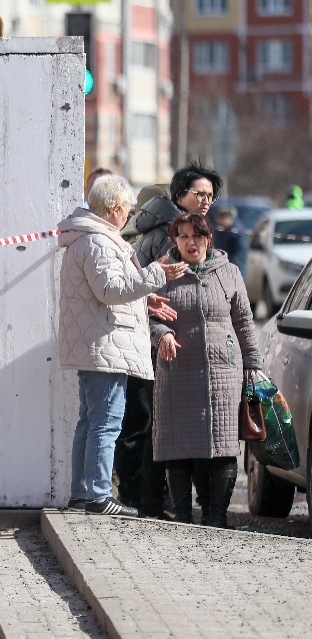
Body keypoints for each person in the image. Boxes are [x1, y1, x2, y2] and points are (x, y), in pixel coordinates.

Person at [57, 175, 183, 517]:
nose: (128, 216)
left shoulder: (87, 238)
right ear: (115, 210)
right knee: (106, 422)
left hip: (97, 342)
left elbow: (106, 293)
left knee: (91, 420)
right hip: (105, 345)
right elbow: (110, 290)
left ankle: (82, 493)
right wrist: (158, 274)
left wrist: (146, 300)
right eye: (126, 210)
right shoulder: (99, 242)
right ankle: (98, 494)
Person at [151, 213, 262, 528]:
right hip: (177, 371)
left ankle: (217, 517)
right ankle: (184, 517)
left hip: (222, 373)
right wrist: (163, 334)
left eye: (195, 236)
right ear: (176, 241)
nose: (190, 242)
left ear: (208, 239)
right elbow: (145, 315)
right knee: (177, 444)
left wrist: (253, 363)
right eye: (183, 236)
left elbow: (243, 321)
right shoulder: (162, 272)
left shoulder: (229, 272)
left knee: (224, 444)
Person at [125, 164, 222, 518]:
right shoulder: (172, 234)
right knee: (153, 423)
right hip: (155, 340)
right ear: (179, 194)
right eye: (199, 193)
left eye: (210, 195)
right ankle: (150, 501)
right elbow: (150, 287)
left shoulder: (181, 226)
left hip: (165, 340)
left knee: (153, 422)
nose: (206, 200)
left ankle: (151, 500)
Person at [211, 207, 248, 280]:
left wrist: (230, 268)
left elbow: (239, 254)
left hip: (234, 271)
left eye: (221, 218)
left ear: (228, 218)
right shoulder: (221, 230)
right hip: (222, 268)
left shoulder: (237, 232)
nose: (219, 221)